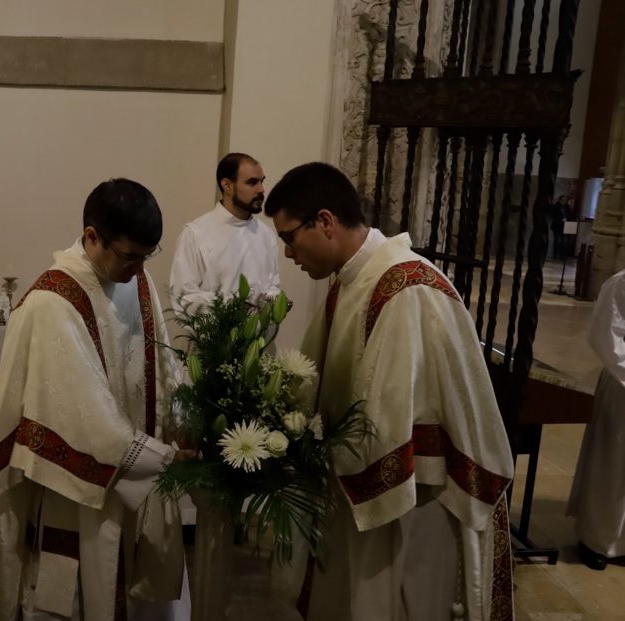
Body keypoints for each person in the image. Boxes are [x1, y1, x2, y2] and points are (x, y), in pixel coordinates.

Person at [264, 162, 515, 621]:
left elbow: (382, 427)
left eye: (288, 237)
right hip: (362, 499)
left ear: (325, 221)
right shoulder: (354, 279)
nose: (287, 253)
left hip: (410, 505)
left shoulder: (405, 288)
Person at [0, 179, 193, 621]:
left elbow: (164, 364)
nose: (137, 269)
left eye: (146, 256)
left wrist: (182, 418)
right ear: (92, 236)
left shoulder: (139, 278)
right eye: (129, 256)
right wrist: (160, 460)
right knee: (84, 585)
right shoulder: (51, 302)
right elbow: (84, 418)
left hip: (141, 474)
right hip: (76, 490)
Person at [169, 152, 281, 312]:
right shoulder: (195, 234)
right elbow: (183, 297)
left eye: (262, 182)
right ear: (227, 185)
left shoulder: (266, 234)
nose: (261, 190)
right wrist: (230, 307)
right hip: (215, 335)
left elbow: (273, 286)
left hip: (261, 336)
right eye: (252, 183)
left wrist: (273, 300)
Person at [567, 268, 625, 571]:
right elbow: (605, 336)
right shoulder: (621, 282)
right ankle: (597, 541)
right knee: (612, 466)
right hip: (623, 383)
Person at [551, 195, 569, 259]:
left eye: (565, 200)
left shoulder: (566, 207)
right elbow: (553, 215)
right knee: (556, 240)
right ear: (559, 200)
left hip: (564, 226)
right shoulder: (556, 206)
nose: (564, 201)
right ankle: (555, 254)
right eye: (563, 200)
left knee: (563, 241)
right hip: (557, 225)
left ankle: (562, 255)